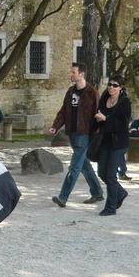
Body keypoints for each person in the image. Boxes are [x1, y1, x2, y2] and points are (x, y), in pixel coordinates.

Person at [50, 62, 104, 207]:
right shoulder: (70, 92)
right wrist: (55, 126)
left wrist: (96, 134)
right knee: (84, 164)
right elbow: (63, 111)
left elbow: (98, 114)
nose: (70, 74)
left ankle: (63, 197)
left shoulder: (92, 93)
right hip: (72, 133)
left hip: (84, 135)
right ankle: (98, 193)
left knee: (74, 167)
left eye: (73, 72)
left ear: (81, 74)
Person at [93, 75, 131, 216]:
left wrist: (106, 119)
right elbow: (99, 117)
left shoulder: (125, 102)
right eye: (110, 84)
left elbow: (122, 125)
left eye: (115, 85)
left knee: (110, 175)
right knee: (102, 172)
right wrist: (98, 120)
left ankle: (111, 208)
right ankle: (120, 192)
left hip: (118, 143)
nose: (111, 87)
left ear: (121, 88)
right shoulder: (104, 98)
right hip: (105, 140)